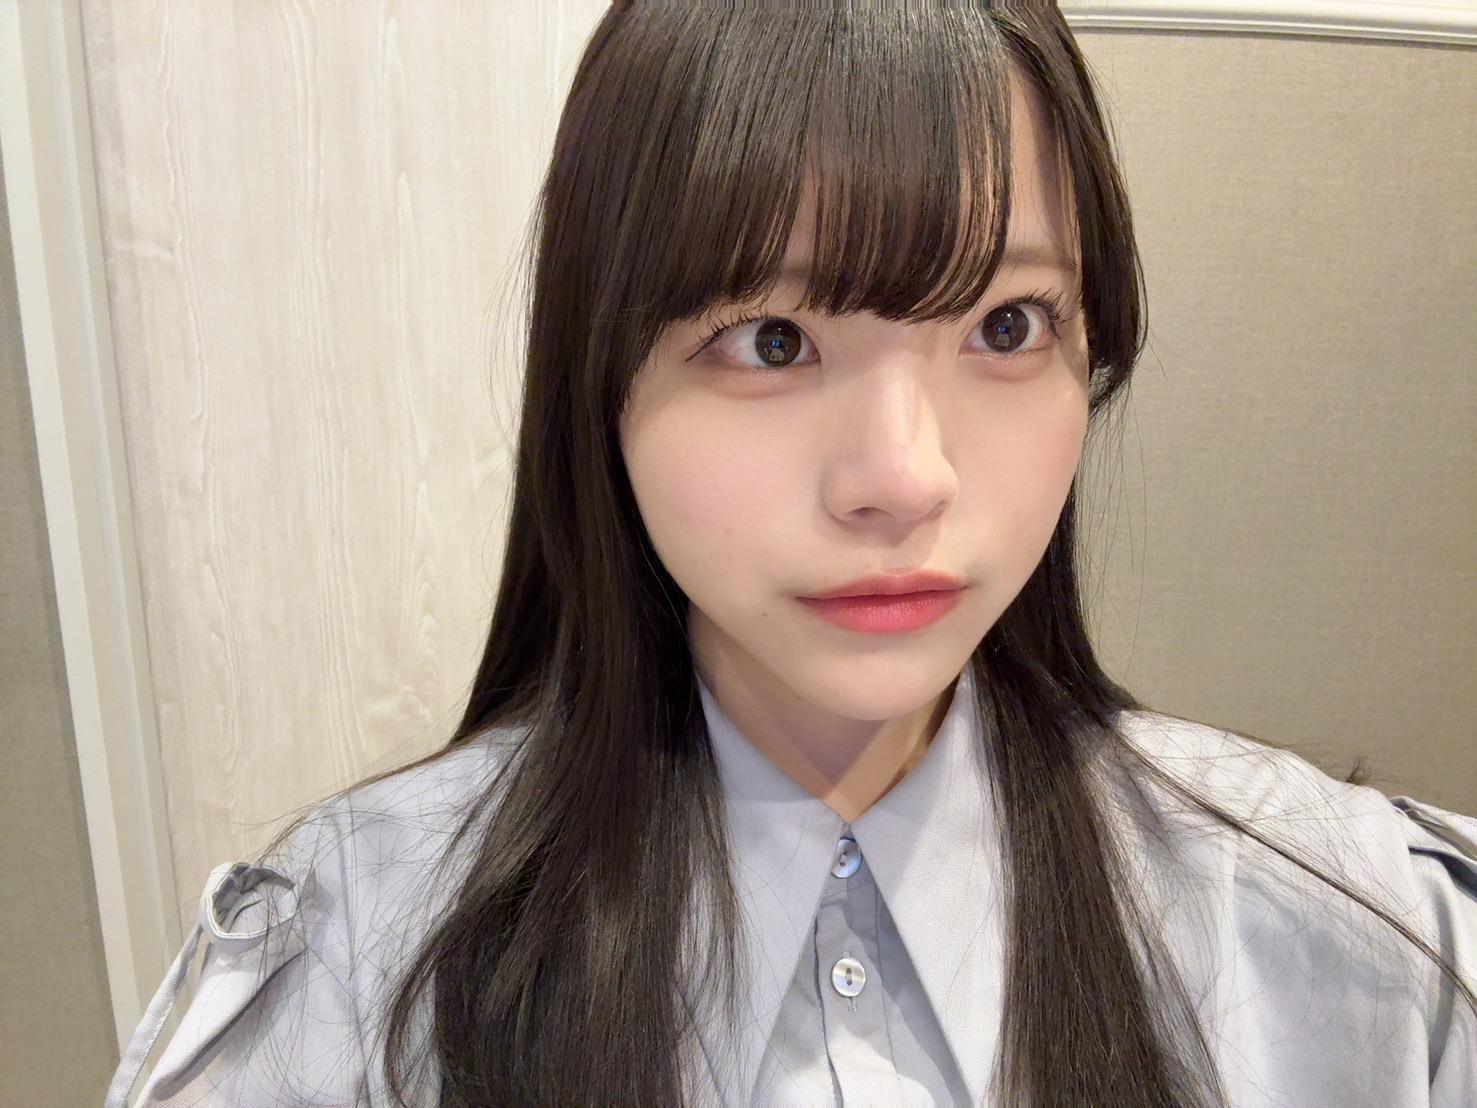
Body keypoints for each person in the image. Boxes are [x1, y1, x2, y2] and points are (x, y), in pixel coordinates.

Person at [104, 3, 1476, 1106]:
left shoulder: (1360, 943)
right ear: (604, 381)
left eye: (1006, 326)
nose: (904, 478)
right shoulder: (356, 971)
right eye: (773, 341)